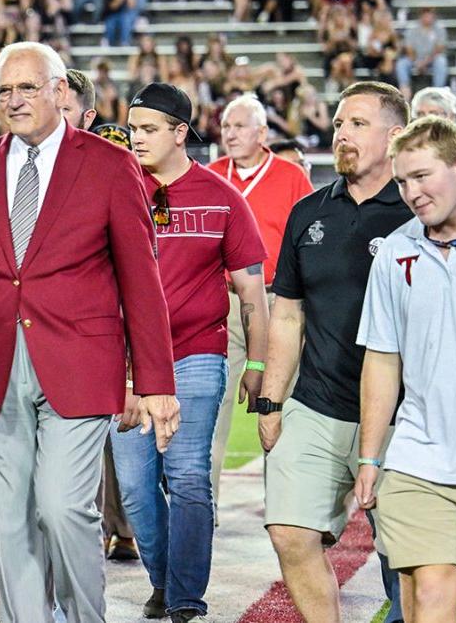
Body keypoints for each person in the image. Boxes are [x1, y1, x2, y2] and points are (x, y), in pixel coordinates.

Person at [0, 42, 180, 623]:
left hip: (81, 365)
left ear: (61, 92)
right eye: (4, 90)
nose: (14, 100)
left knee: (63, 507)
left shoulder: (112, 166)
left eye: (28, 88)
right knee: (12, 518)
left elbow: (142, 282)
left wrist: (155, 380)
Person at [258, 81, 412, 623]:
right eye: (340, 123)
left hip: (403, 416)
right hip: (317, 403)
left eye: (358, 124)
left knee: (410, 559)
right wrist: (272, 402)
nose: (341, 133)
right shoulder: (307, 212)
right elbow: (288, 312)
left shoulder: (421, 215)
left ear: (397, 136)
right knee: (290, 533)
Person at [114, 83, 269, 623]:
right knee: (134, 488)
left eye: (150, 128)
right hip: (127, 365)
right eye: (133, 128)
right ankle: (164, 580)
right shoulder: (117, 190)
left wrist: (255, 364)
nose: (137, 139)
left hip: (198, 354)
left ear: (182, 133)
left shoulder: (223, 196)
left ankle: (183, 599)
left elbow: (253, 292)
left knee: (186, 477)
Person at [357, 115, 456, 623]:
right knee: (429, 597)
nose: (411, 192)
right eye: (402, 181)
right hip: (420, 457)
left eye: (422, 176)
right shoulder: (395, 251)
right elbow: (383, 358)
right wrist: (369, 457)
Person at [206, 94, 313, 509]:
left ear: (262, 132)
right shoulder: (209, 174)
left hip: (278, 301)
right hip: (224, 303)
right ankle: (203, 508)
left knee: (283, 405)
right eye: (226, 126)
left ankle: (287, 509)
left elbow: (306, 242)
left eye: (239, 126)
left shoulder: (290, 176)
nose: (229, 133)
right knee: (211, 410)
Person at [62, 71, 139, 563]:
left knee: (118, 445)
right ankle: (87, 530)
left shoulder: (136, 187)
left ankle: (124, 527)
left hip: (116, 328)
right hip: (78, 332)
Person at [410, 86, 456, 164]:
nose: (425, 119)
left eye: (433, 113)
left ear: (451, 117)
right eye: (420, 114)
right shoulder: (406, 154)